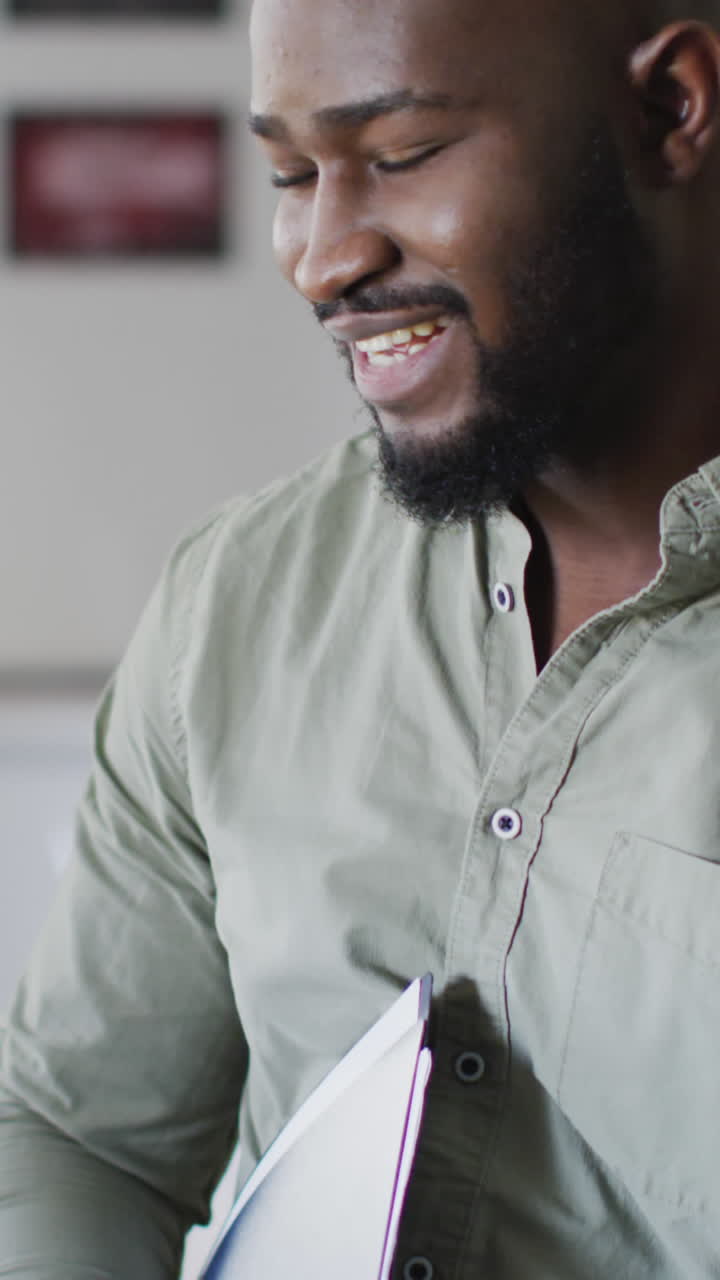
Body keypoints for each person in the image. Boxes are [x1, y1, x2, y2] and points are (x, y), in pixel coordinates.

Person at [3, 0, 720, 1274]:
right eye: (290, 173)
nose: (321, 258)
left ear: (673, 109)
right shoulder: (241, 599)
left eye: (399, 154)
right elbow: (79, 1131)